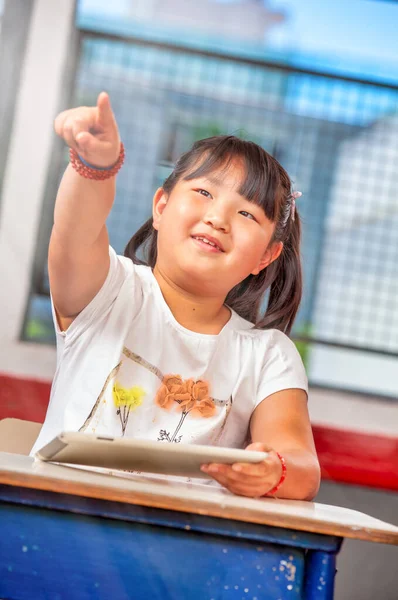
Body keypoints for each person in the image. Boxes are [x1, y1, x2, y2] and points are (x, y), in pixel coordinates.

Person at [30, 92, 320, 500]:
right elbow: (76, 228)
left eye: (247, 214)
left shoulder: (268, 355)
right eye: (204, 193)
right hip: (56, 521)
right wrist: (96, 166)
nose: (218, 218)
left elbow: (302, 465)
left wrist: (275, 472)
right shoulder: (109, 292)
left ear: (267, 256)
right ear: (161, 207)